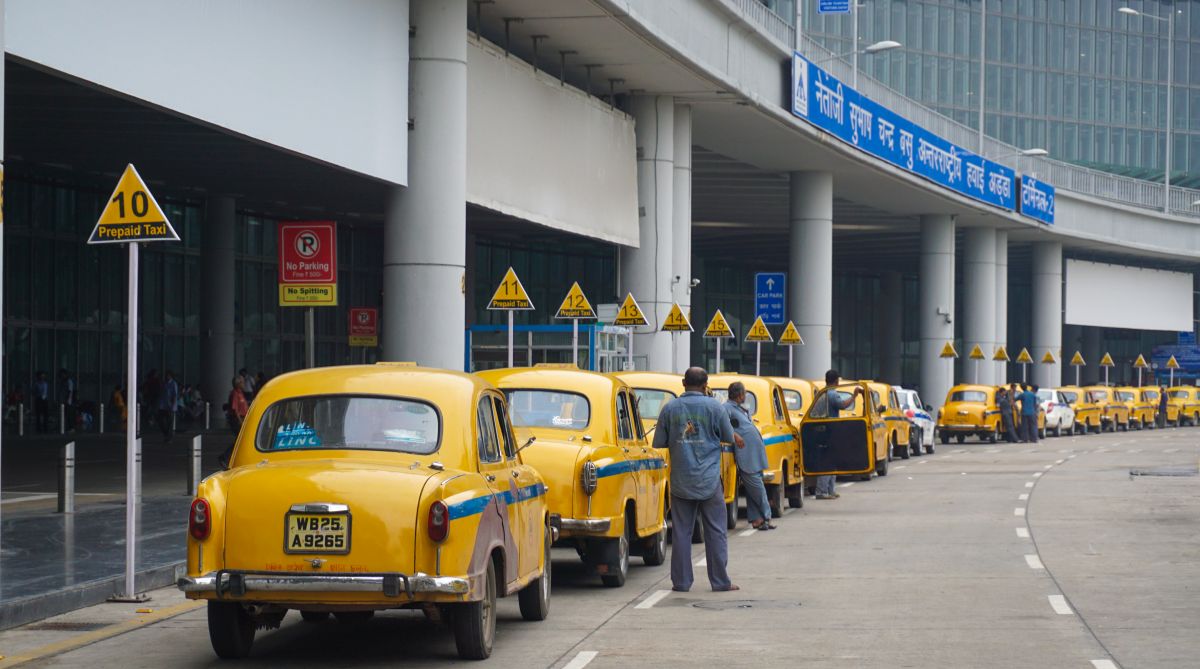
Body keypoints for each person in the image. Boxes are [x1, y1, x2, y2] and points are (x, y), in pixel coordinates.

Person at [652, 367, 739, 593]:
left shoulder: (670, 409)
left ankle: (681, 583)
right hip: (709, 480)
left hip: (681, 481)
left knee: (681, 532)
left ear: (683, 383)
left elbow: (659, 442)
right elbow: (729, 438)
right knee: (716, 531)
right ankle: (720, 582)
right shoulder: (715, 407)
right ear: (705, 385)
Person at [723, 382, 774, 531]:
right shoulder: (726, 408)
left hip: (753, 455)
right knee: (758, 489)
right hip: (746, 456)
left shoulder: (741, 409)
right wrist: (735, 435)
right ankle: (767, 517)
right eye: (744, 393)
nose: (745, 396)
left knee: (754, 489)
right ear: (739, 395)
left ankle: (756, 520)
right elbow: (723, 426)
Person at [815, 369, 863, 500]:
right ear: (836, 381)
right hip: (829, 431)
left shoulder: (822, 393)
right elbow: (842, 405)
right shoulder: (831, 394)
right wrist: (854, 396)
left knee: (831, 460)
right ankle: (822, 491)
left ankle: (830, 490)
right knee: (827, 461)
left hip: (823, 430)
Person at [158, 370, 179, 442]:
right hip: (163, 405)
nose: (166, 376)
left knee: (169, 422)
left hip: (170, 406)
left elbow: (175, 395)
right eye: (166, 375)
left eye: (168, 375)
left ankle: (168, 437)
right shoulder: (164, 383)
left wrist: (172, 405)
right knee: (160, 420)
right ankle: (166, 434)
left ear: (170, 376)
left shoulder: (173, 384)